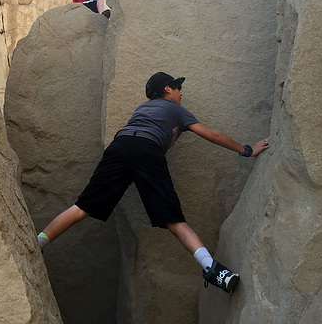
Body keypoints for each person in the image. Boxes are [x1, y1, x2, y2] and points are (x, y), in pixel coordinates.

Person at [36, 72, 270, 294]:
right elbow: (213, 135)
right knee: (174, 220)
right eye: (178, 88)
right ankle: (214, 270)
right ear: (168, 89)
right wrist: (247, 151)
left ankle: (37, 243)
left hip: (120, 145)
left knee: (83, 207)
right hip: (147, 149)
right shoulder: (175, 109)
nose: (181, 93)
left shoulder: (142, 108)